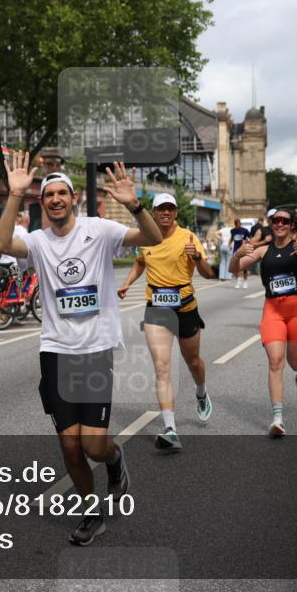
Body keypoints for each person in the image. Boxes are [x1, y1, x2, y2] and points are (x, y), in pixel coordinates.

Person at [0, 153, 162, 546]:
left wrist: (134, 206)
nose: (55, 199)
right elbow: (1, 243)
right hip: (56, 352)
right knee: (69, 444)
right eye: (48, 194)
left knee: (93, 444)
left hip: (95, 350)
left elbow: (153, 239)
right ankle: (91, 512)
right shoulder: (37, 241)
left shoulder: (99, 230)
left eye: (61, 193)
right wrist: (15, 194)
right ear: (42, 204)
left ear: (73, 199)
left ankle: (114, 459)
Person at [117, 193, 215, 452]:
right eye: (161, 208)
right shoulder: (146, 238)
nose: (165, 213)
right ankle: (170, 429)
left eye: (170, 208)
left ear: (175, 213)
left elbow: (209, 274)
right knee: (162, 367)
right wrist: (127, 282)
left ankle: (201, 392)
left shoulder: (189, 238)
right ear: (154, 211)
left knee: (193, 361)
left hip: (185, 307)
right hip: (156, 308)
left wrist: (197, 258)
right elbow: (139, 263)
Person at [230, 208, 297, 436]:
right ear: (271, 224)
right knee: (275, 361)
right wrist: (238, 254)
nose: (279, 224)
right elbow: (234, 268)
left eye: (284, 221)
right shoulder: (262, 251)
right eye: (275, 220)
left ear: (290, 225)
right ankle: (277, 419)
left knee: (294, 362)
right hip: (273, 311)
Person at [229, 218, 251, 288]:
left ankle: (245, 281)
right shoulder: (232, 231)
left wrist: (247, 242)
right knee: (236, 266)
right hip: (236, 250)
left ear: (240, 224)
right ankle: (238, 280)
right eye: (236, 225)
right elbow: (232, 238)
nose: (238, 226)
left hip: (243, 250)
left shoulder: (245, 230)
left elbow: (250, 238)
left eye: (239, 224)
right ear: (235, 224)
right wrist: (229, 244)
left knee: (244, 267)